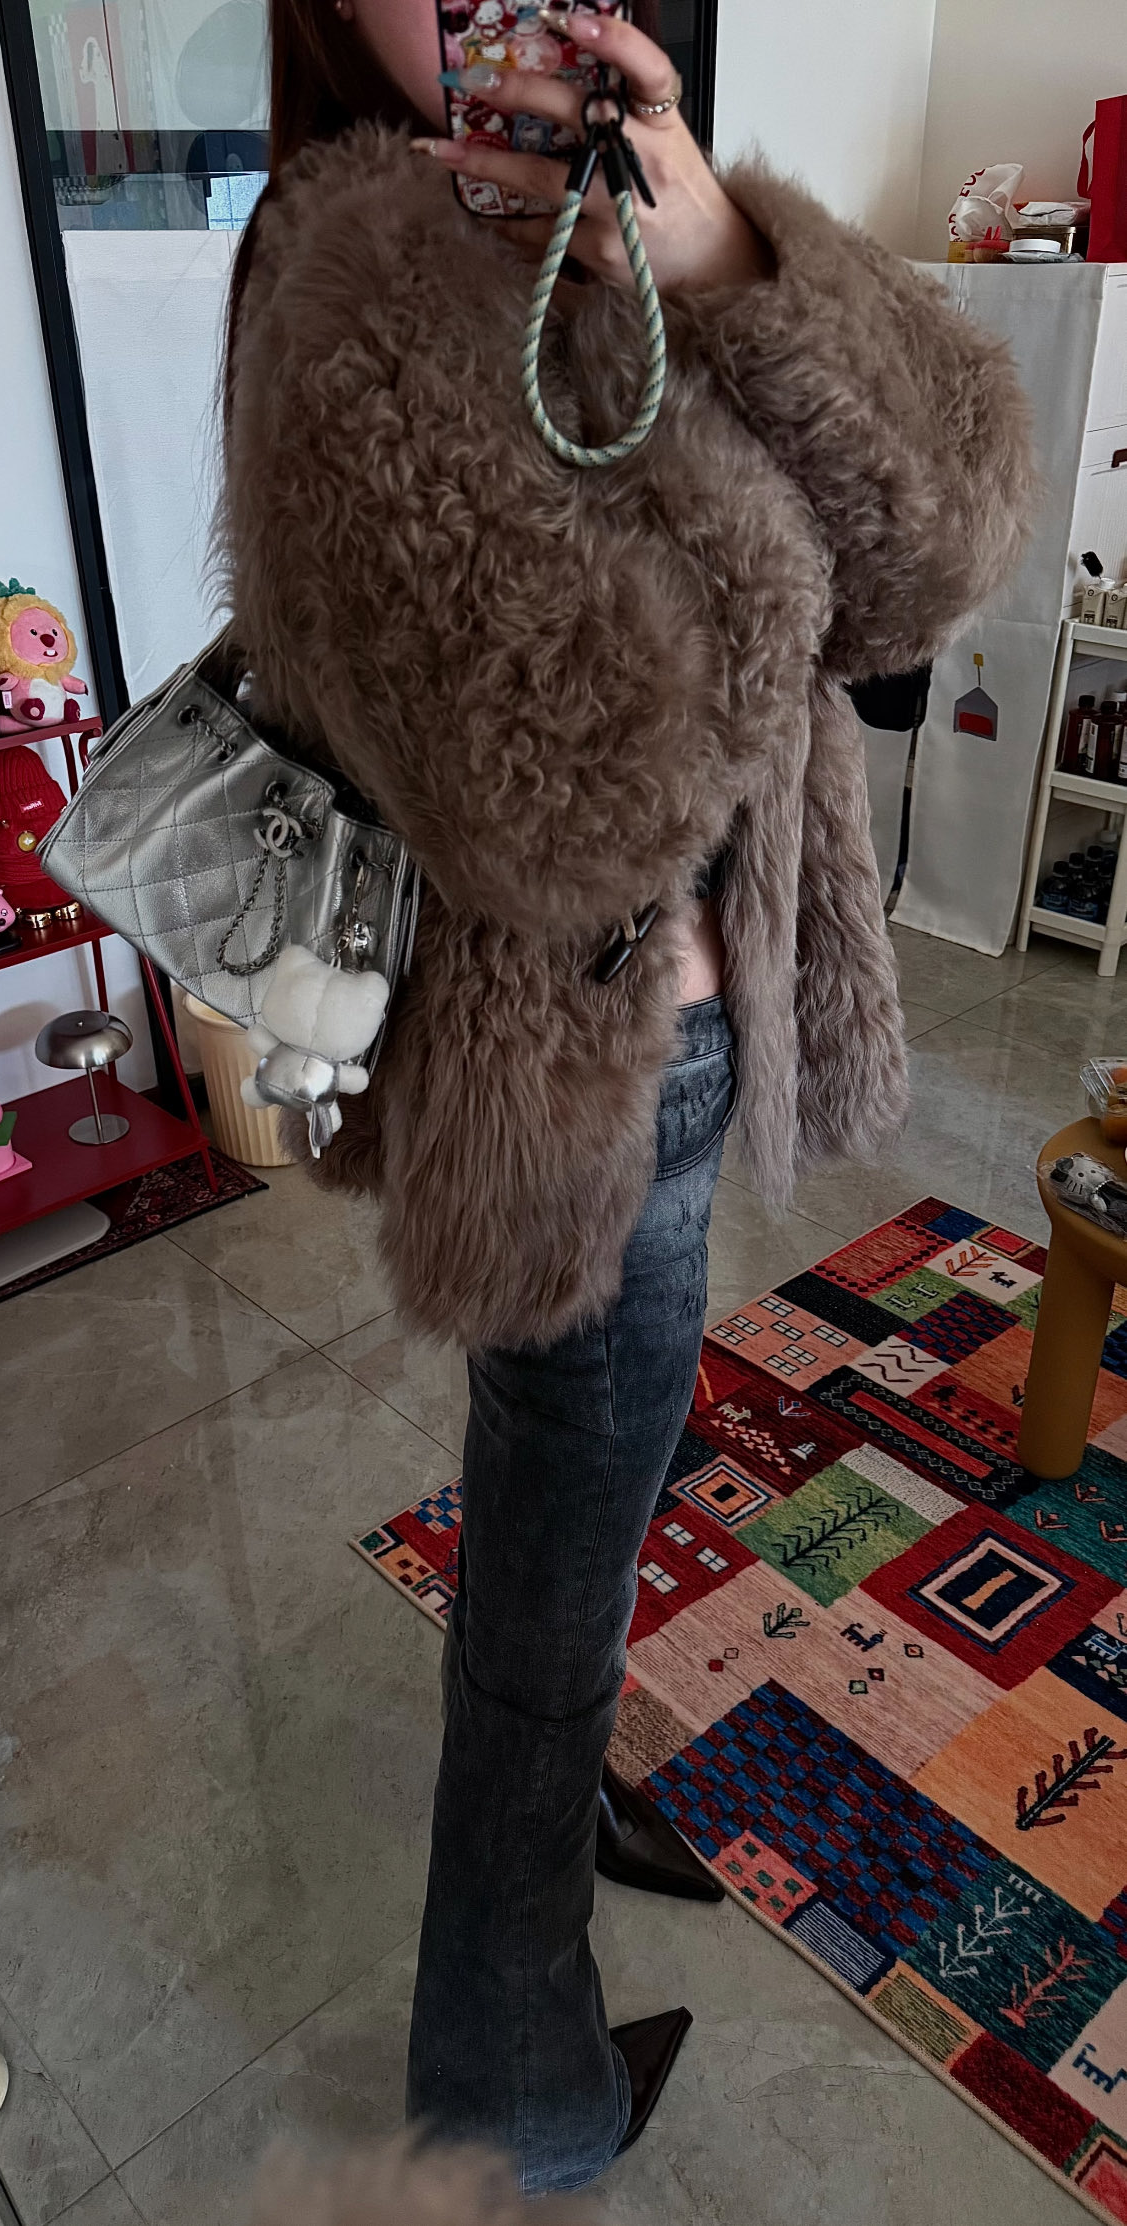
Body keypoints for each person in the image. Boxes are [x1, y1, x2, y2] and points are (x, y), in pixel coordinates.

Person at [222, 0, 1033, 2193]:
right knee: (554, 1592)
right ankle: (514, 2078)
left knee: (564, 1509)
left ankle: (563, 1815)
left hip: (683, 1013)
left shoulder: (654, 221)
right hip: (589, 1072)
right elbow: (567, 784)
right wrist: (755, 479)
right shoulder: (349, 271)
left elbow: (946, 546)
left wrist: (736, 277)